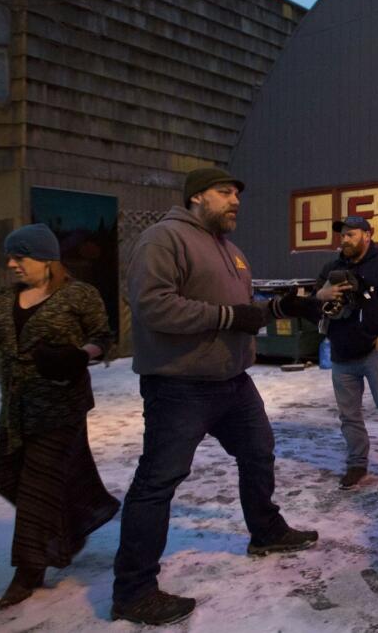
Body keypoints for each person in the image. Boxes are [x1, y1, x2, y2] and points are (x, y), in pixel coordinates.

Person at [111, 167, 317, 626]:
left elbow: (243, 313)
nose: (235, 201)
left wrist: (284, 306)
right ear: (196, 197)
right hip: (179, 384)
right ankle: (133, 590)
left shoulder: (231, 250)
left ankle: (264, 530)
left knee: (259, 452)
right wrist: (228, 316)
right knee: (158, 482)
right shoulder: (164, 240)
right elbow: (152, 304)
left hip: (232, 382)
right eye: (225, 192)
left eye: (237, 194)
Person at [0, 223, 118, 610]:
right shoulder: (4, 300)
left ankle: (27, 571)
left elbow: (103, 338)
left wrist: (79, 354)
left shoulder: (79, 295)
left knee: (37, 491)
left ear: (47, 260)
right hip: (15, 409)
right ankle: (72, 522)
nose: (12, 264)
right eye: (11, 257)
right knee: (7, 480)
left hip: (60, 408)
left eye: (20, 257)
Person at [311, 215, 378, 492]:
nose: (345, 240)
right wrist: (321, 295)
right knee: (349, 416)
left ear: (368, 235)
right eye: (342, 235)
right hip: (341, 356)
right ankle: (357, 465)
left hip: (375, 353)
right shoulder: (331, 269)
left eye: (351, 235)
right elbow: (313, 307)